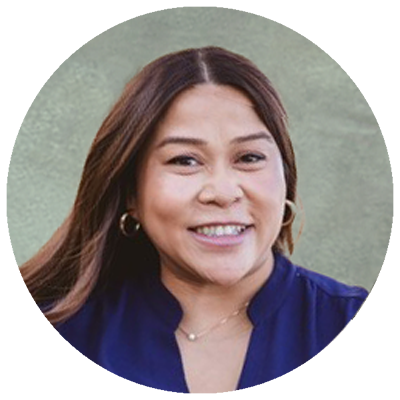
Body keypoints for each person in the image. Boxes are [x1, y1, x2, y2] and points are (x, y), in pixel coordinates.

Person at [19, 46, 368, 394]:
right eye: (185, 160)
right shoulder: (49, 337)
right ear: (130, 193)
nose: (223, 192)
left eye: (249, 157)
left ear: (286, 178)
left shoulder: (358, 326)